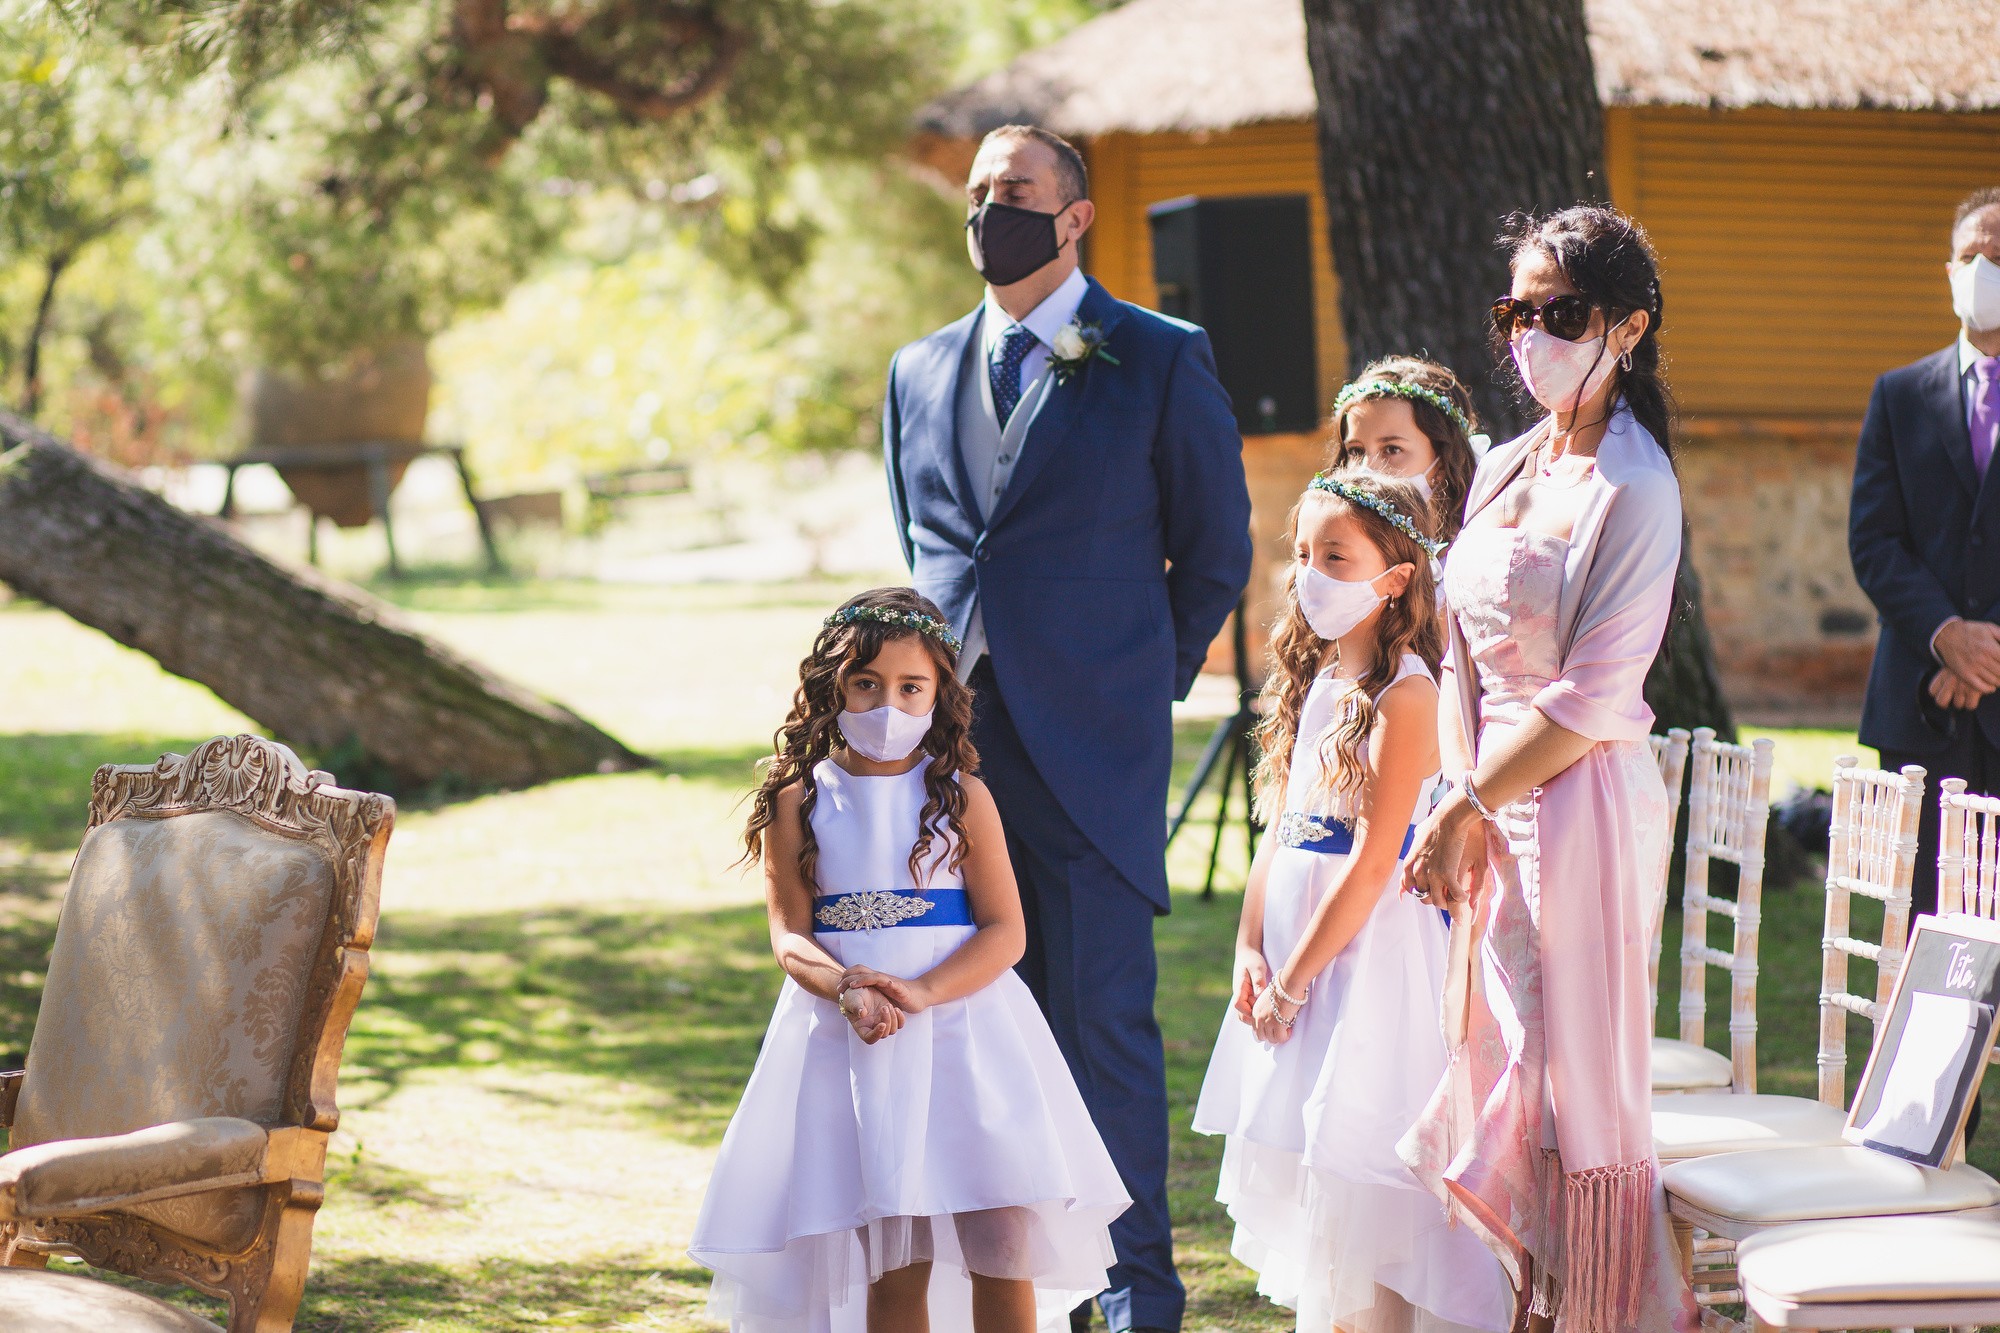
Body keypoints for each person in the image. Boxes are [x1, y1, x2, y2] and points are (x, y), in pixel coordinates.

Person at [881, 123, 1252, 1333]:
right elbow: (931, 550)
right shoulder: (917, 369)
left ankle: (1135, 1287)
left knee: (1100, 1021)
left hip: (1090, 748)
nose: (992, 209)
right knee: (979, 1028)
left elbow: (1212, 554)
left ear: (1076, 215)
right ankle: (1019, 1288)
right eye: (979, 193)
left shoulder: (1156, 355)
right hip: (946, 757)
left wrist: (1137, 682)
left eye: (1017, 192)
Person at [1400, 205, 1699, 1333]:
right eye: (1513, 311)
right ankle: (1522, 1305)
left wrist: (1472, 802)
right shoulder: (1504, 461)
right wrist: (1451, 794)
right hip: (1484, 801)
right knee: (1504, 1072)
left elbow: (1592, 695)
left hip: (1574, 807)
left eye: (1557, 313)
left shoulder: (1636, 487)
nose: (1529, 334)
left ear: (1625, 327)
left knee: (1567, 1091)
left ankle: (1597, 1312)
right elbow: (1456, 653)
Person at [689, 588, 1130, 1333]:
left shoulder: (962, 796)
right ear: (833, 687)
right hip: (854, 1041)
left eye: (910, 686)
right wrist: (847, 989)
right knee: (895, 1255)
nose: (887, 703)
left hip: (968, 1034)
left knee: (1001, 1236)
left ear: (939, 695)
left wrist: (924, 991)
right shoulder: (799, 800)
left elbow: (1005, 930)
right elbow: (791, 936)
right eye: (867, 683)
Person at [1192, 469, 1510, 1333]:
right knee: (1321, 1186)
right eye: (1302, 555)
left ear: (1395, 577)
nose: (1309, 575)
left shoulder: (1406, 694)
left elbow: (1374, 863)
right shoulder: (1317, 680)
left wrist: (1294, 980)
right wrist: (1250, 950)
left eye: (1335, 555)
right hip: (1298, 955)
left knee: (1369, 1180)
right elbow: (1283, 834)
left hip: (1364, 964)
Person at [1850, 186, 2000, 923]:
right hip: (1919, 703)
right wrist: (1947, 635)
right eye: (1969, 257)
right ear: (1948, 271)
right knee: (1923, 922)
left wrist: (1987, 651)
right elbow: (1873, 541)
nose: (1981, 273)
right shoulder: (1898, 395)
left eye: (1997, 259)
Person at [1330, 356, 1482, 546]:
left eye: (1392, 449)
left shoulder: (1474, 557)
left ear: (1443, 462)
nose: (1368, 468)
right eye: (1356, 451)